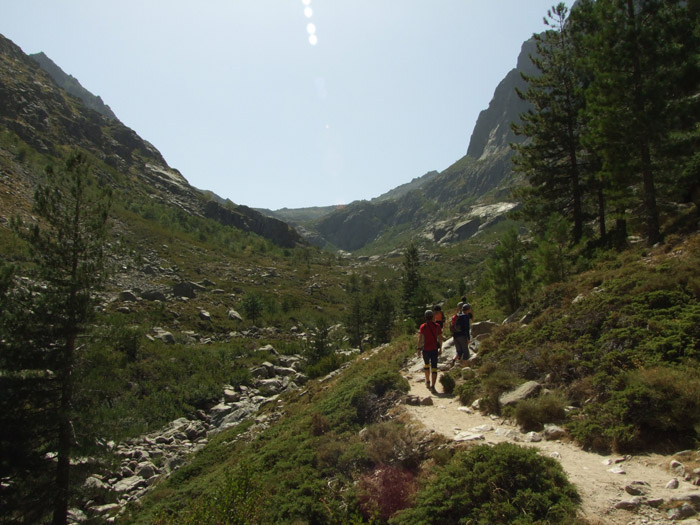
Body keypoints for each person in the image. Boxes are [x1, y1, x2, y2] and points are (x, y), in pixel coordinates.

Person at [417, 309, 442, 391]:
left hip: (426, 349)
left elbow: (420, 339)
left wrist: (418, 349)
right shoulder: (437, 326)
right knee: (434, 367)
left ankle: (427, 381)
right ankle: (433, 385)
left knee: (427, 365)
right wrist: (441, 348)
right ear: (432, 317)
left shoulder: (423, 326)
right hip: (434, 349)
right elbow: (440, 338)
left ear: (425, 317)